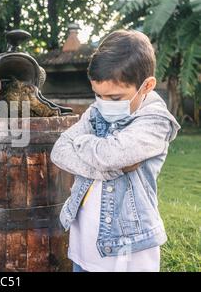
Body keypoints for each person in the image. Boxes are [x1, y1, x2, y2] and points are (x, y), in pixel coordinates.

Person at [50, 30, 181, 272]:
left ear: (147, 86)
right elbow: (59, 151)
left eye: (115, 97)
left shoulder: (156, 121)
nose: (103, 104)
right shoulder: (96, 111)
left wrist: (80, 142)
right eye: (97, 95)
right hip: (84, 241)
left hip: (128, 248)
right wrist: (106, 170)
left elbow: (112, 155)